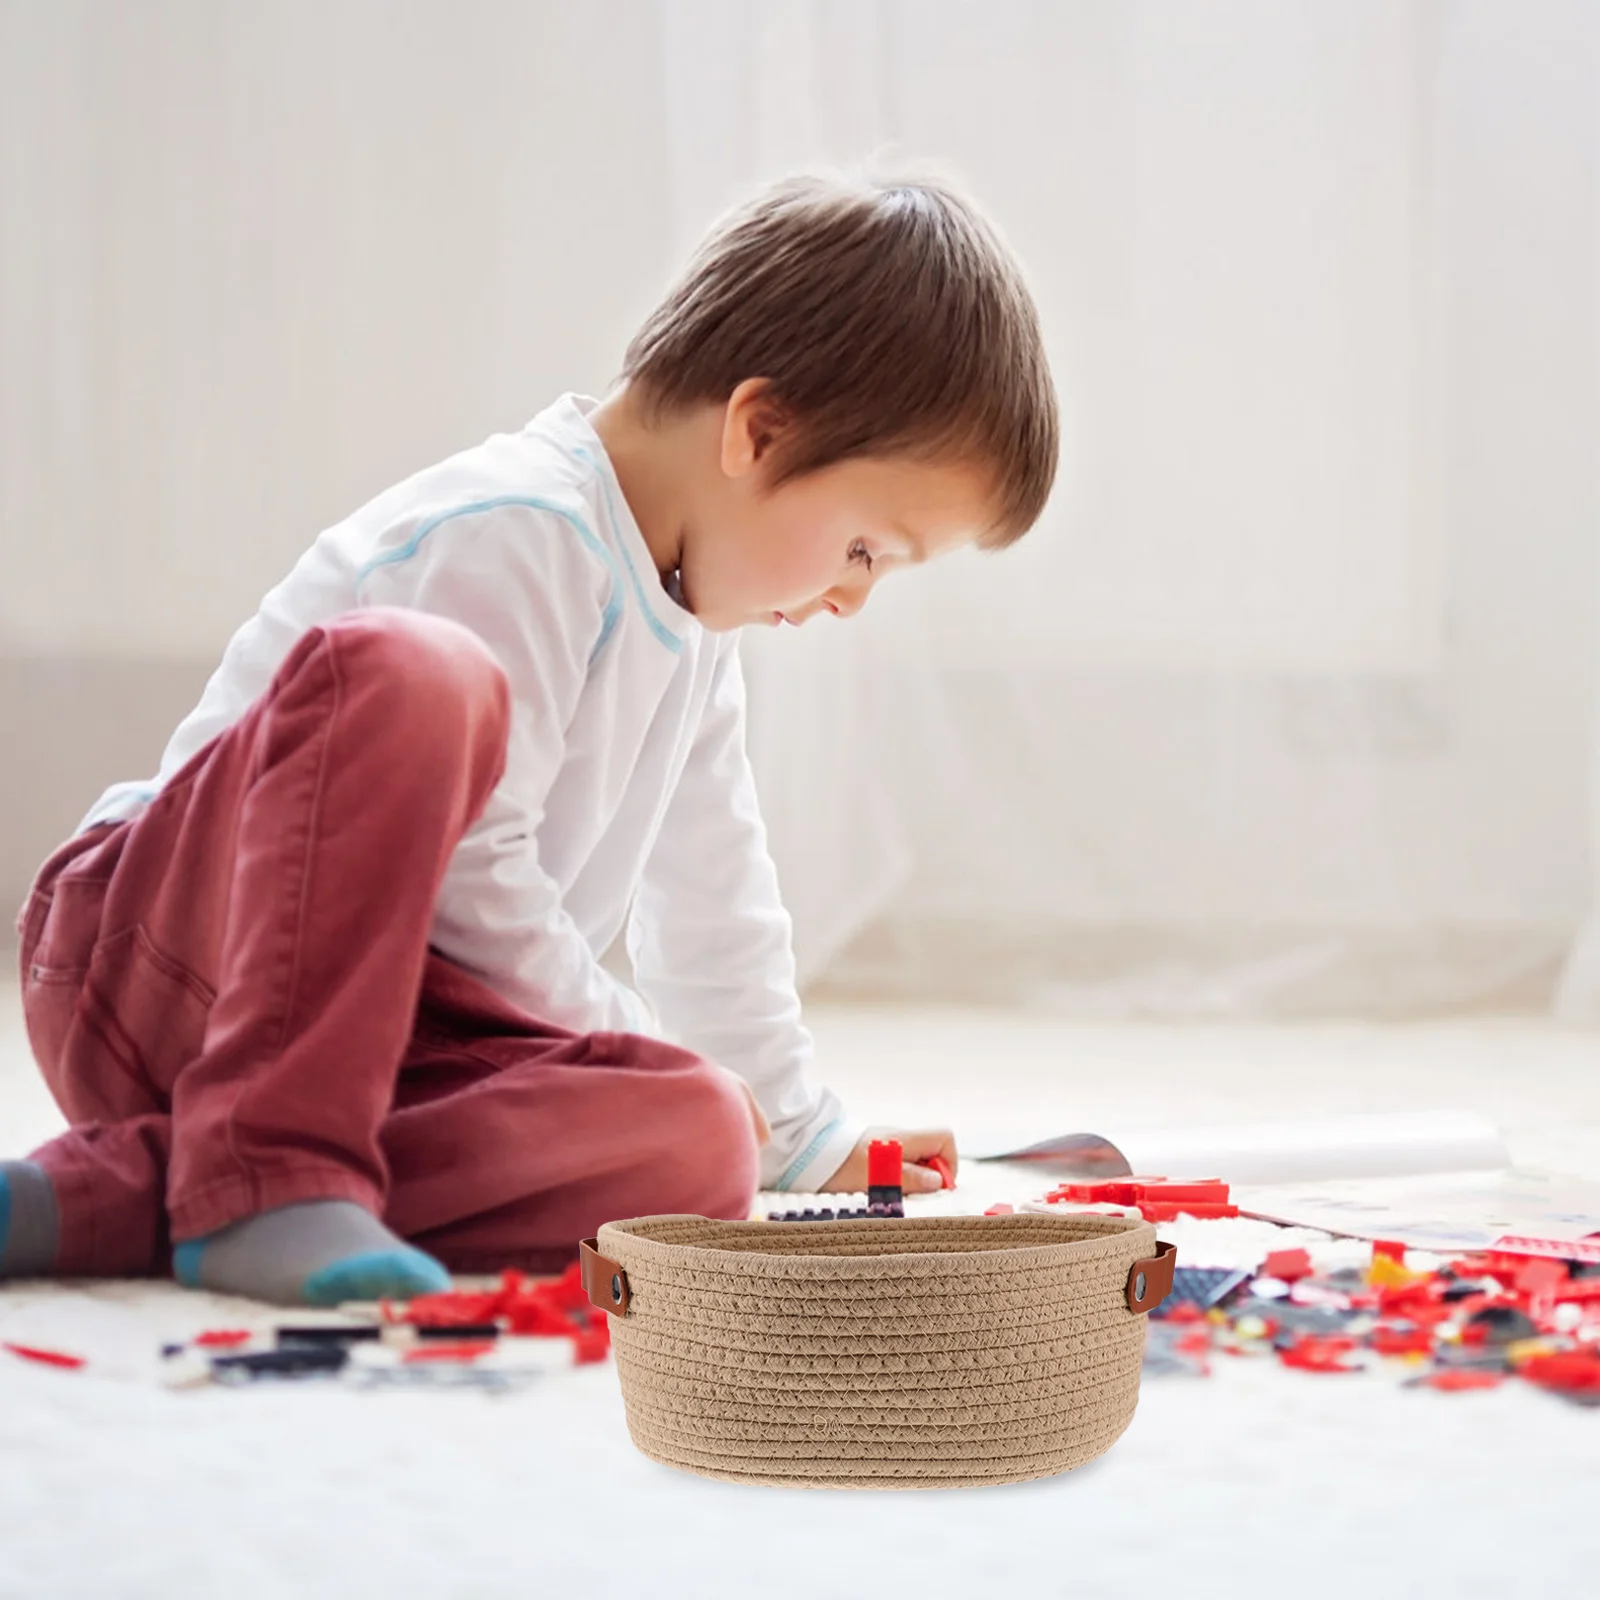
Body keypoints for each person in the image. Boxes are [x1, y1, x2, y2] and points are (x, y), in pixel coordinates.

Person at [2, 172, 1058, 1306]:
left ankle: (133, 1194)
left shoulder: (695, 633)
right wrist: (609, 1031)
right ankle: (263, 1169)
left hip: (383, 1045)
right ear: (757, 431)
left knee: (697, 1142)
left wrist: (791, 1130)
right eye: (864, 549)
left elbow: (712, 899)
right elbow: (470, 873)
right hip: (165, 959)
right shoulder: (517, 529)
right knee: (416, 674)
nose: (854, 600)